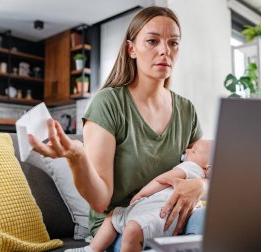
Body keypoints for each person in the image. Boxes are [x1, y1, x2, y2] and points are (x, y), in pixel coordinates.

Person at [28, 6, 208, 252]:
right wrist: (77, 156)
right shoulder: (109, 103)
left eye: (173, 43)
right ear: (131, 49)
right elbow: (101, 202)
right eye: (153, 41)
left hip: (172, 215)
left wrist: (200, 186)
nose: (165, 50)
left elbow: (209, 168)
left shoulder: (186, 110)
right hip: (120, 224)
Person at [68, 140, 212, 252]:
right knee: (116, 217)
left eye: (193, 150)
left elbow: (162, 180)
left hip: (159, 212)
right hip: (159, 214)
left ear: (208, 166)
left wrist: (141, 194)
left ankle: (93, 249)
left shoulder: (191, 167)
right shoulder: (201, 178)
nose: (187, 150)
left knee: (126, 225)